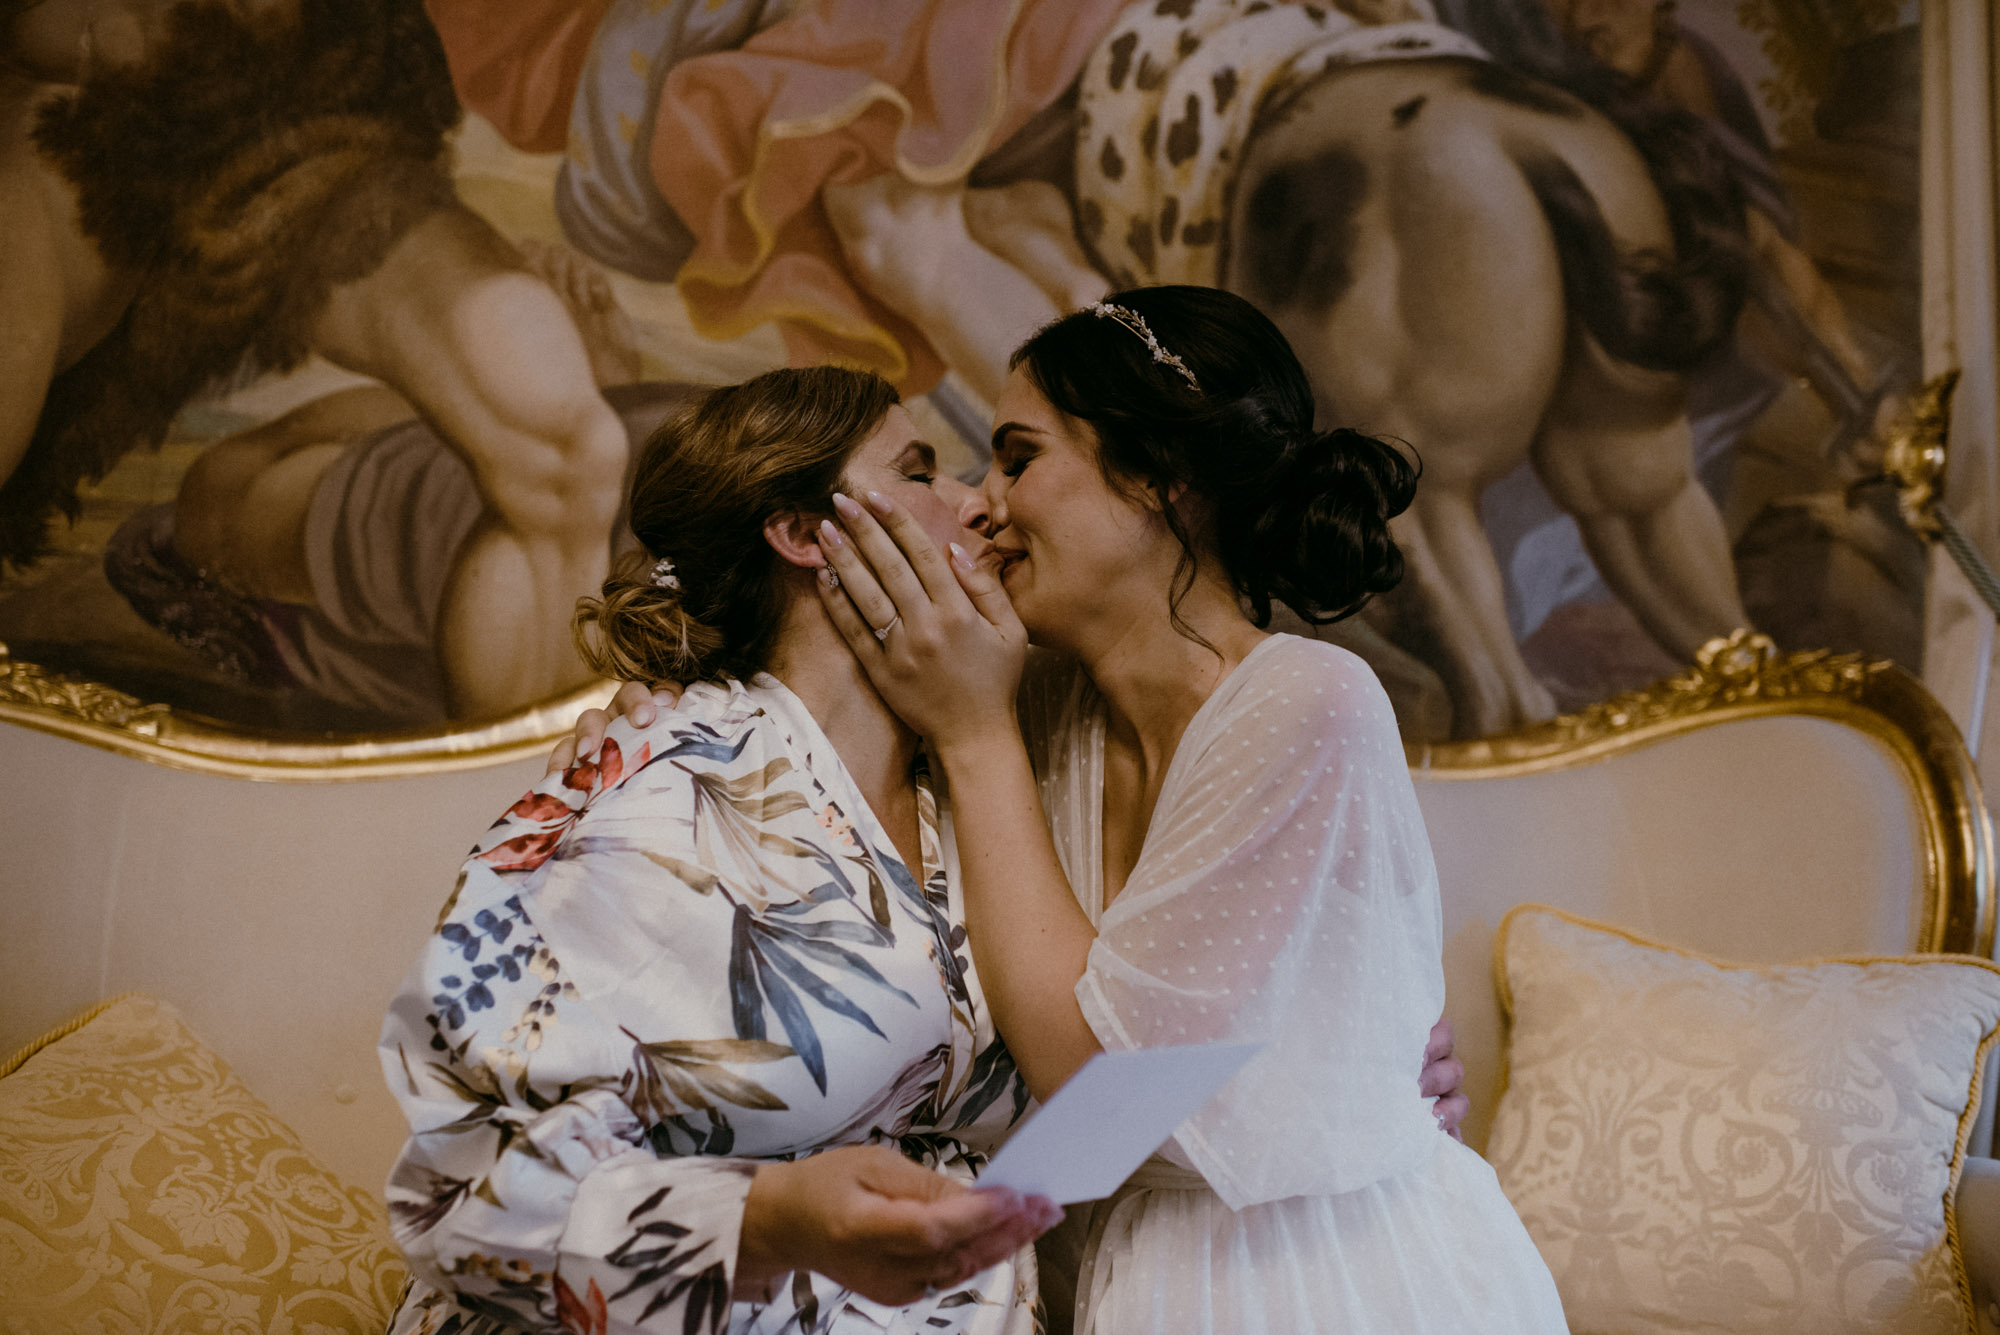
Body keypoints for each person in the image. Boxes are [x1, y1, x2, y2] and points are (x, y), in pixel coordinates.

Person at [556, 288, 1540, 1334]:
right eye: (952, 470)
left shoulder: (1304, 702)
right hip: (1081, 1274)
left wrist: (1362, 1070)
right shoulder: (1026, 706)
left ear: (1158, 474)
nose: (984, 505)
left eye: (1016, 459)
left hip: (1310, 1282)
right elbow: (795, 728)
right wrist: (643, 714)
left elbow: (1109, 1090)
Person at [379, 366, 1062, 1335]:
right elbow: (459, 1193)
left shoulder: (972, 795)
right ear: (805, 534)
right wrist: (767, 1217)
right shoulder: (661, 792)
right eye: (919, 472)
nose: (975, 505)